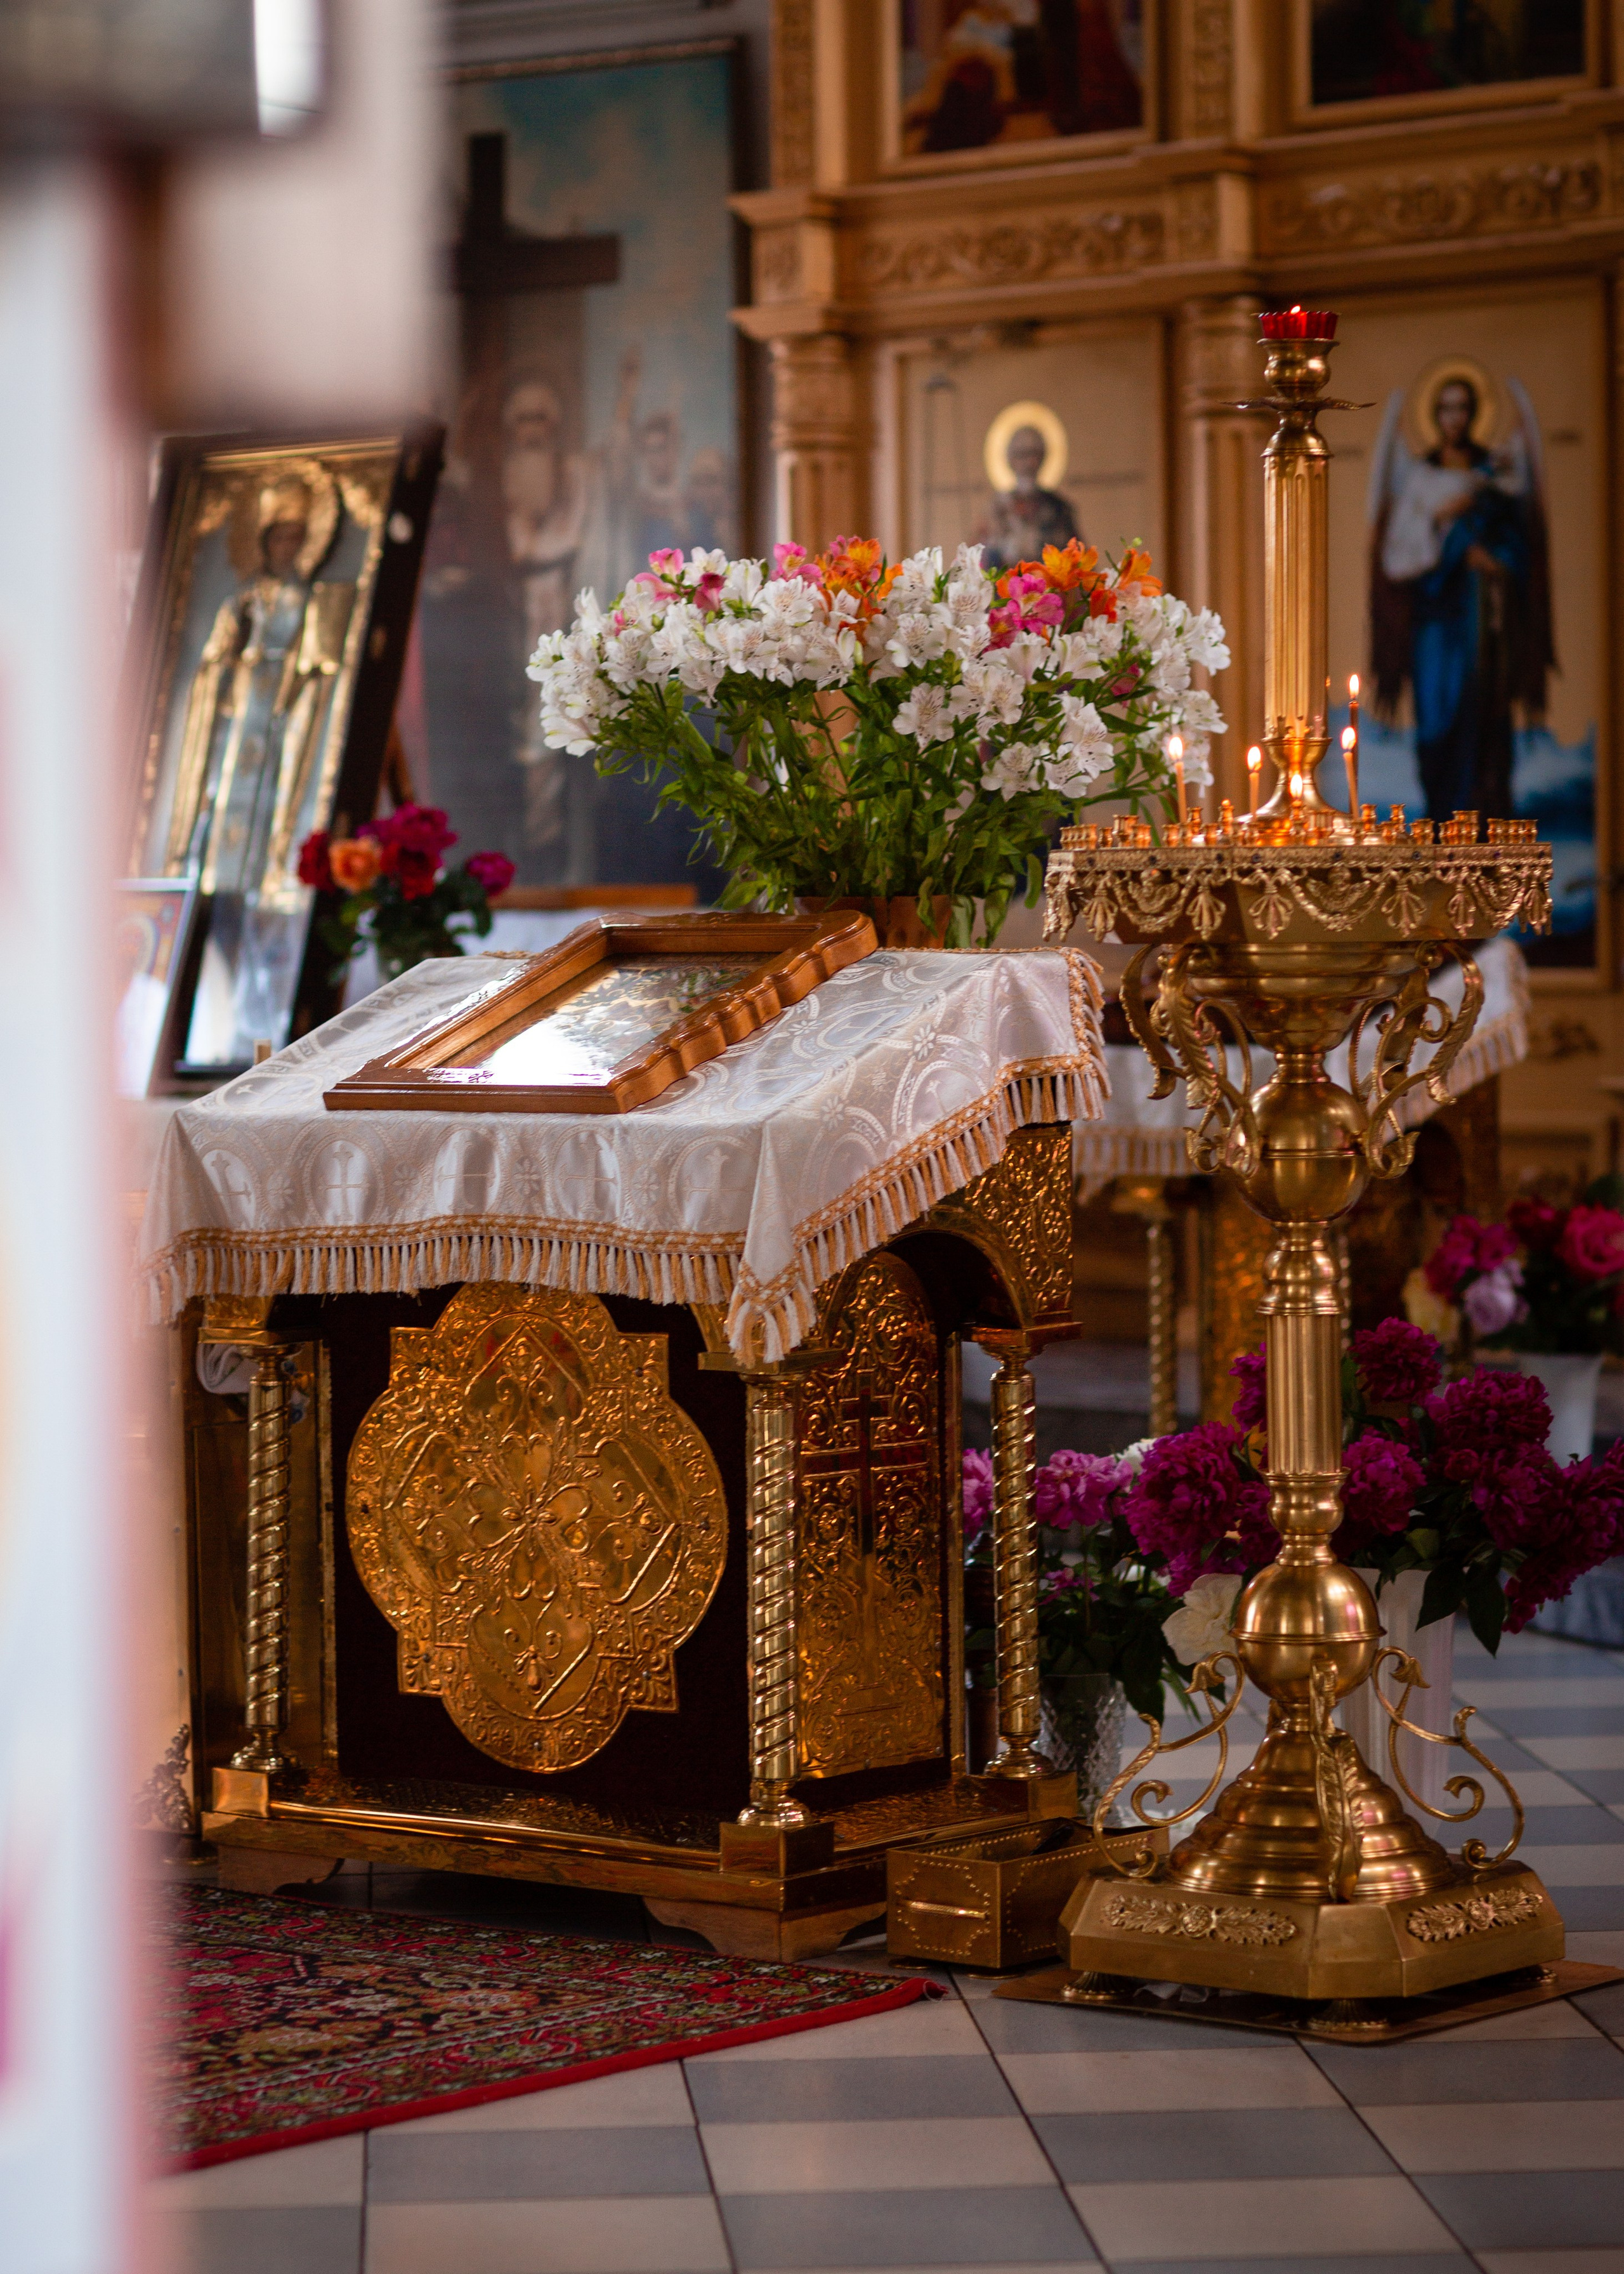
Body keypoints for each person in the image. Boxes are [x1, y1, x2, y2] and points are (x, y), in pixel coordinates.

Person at [1368, 370, 1553, 820]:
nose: (1455, 418)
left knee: (1483, 715)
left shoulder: (1495, 478)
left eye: (1463, 408)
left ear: (1473, 414)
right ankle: (1439, 817)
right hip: (1434, 618)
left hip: (1482, 621)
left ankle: (1482, 822)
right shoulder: (1421, 480)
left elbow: (1518, 547)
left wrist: (1494, 561)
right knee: (1435, 722)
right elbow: (1397, 556)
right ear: (1435, 415)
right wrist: (1445, 531)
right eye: (1446, 408)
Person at [978, 421, 1080, 569]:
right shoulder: (995, 507)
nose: (1030, 462)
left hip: (1050, 586)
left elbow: (1077, 557)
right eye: (1022, 455)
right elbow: (981, 556)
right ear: (1010, 459)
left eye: (1035, 454)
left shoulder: (1059, 507)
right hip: (1005, 586)